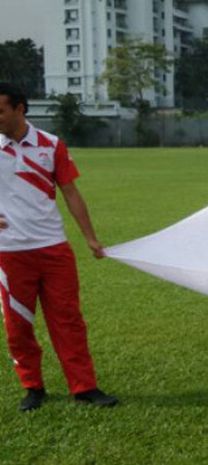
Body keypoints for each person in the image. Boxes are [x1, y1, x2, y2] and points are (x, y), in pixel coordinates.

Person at [0, 83, 118, 411]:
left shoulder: (51, 146)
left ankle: (84, 387)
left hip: (54, 249)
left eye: (0, 111)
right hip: (9, 254)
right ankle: (33, 387)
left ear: (20, 109)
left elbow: (71, 193)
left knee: (68, 320)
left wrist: (90, 238)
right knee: (17, 325)